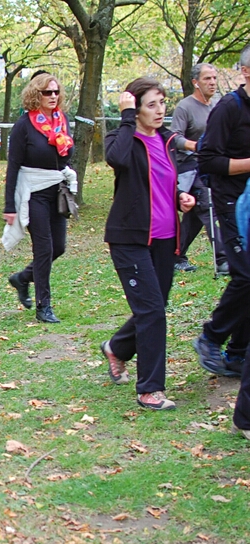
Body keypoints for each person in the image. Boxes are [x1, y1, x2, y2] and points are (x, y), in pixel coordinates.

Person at [101, 78, 196, 410]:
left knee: (154, 307)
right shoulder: (122, 138)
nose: (159, 111)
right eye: (151, 105)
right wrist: (126, 118)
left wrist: (179, 196)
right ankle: (149, 390)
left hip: (165, 239)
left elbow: (159, 182)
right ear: (135, 108)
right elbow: (118, 160)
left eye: (162, 103)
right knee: (152, 311)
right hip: (130, 238)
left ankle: (117, 347)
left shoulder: (166, 141)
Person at [193, 42, 250, 389]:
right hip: (230, 201)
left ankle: (238, 354)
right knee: (245, 274)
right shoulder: (229, 108)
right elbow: (208, 160)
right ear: (245, 71)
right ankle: (211, 337)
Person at [1, 73, 76, 323]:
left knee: (59, 247)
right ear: (36, 94)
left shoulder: (61, 121)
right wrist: (9, 206)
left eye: (56, 92)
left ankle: (22, 278)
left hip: (56, 190)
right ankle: (44, 306)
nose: (53, 96)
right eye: (47, 92)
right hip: (33, 193)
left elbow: (65, 156)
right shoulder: (24, 125)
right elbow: (13, 166)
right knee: (44, 249)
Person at [171, 63, 229, 274]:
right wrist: (196, 146)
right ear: (196, 82)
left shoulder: (217, 107)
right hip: (189, 166)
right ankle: (223, 259)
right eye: (207, 79)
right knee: (207, 204)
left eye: (214, 78)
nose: (212, 82)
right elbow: (174, 138)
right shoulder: (185, 107)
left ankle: (175, 256)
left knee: (195, 216)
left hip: (211, 164)